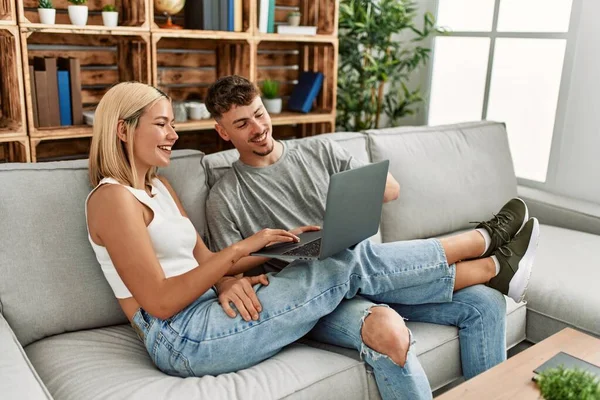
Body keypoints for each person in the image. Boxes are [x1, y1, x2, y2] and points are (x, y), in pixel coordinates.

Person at [85, 81, 538, 400]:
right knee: (339, 258)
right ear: (123, 129)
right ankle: (486, 250)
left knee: (473, 301)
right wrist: (244, 250)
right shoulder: (111, 200)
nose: (174, 134)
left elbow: (207, 260)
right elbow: (161, 302)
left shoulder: (158, 189)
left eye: (171, 124)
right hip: (181, 337)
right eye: (161, 124)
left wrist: (267, 250)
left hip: (210, 309)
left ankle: (488, 264)